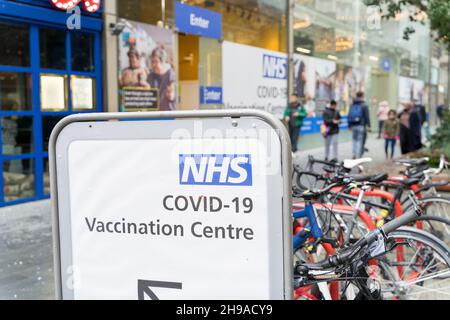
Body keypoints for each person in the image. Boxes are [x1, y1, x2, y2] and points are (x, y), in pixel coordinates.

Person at [147, 46, 176, 111]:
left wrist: (170, 94)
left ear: (162, 62)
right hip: (154, 114)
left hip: (167, 114)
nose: (153, 64)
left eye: (156, 62)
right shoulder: (150, 76)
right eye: (152, 62)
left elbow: (172, 96)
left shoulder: (170, 74)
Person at [348, 91, 371, 159]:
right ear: (362, 96)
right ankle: (358, 156)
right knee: (359, 141)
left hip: (353, 125)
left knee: (354, 140)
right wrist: (369, 126)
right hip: (361, 125)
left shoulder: (352, 104)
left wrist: (349, 125)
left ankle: (354, 154)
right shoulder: (364, 105)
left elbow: (349, 115)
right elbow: (367, 116)